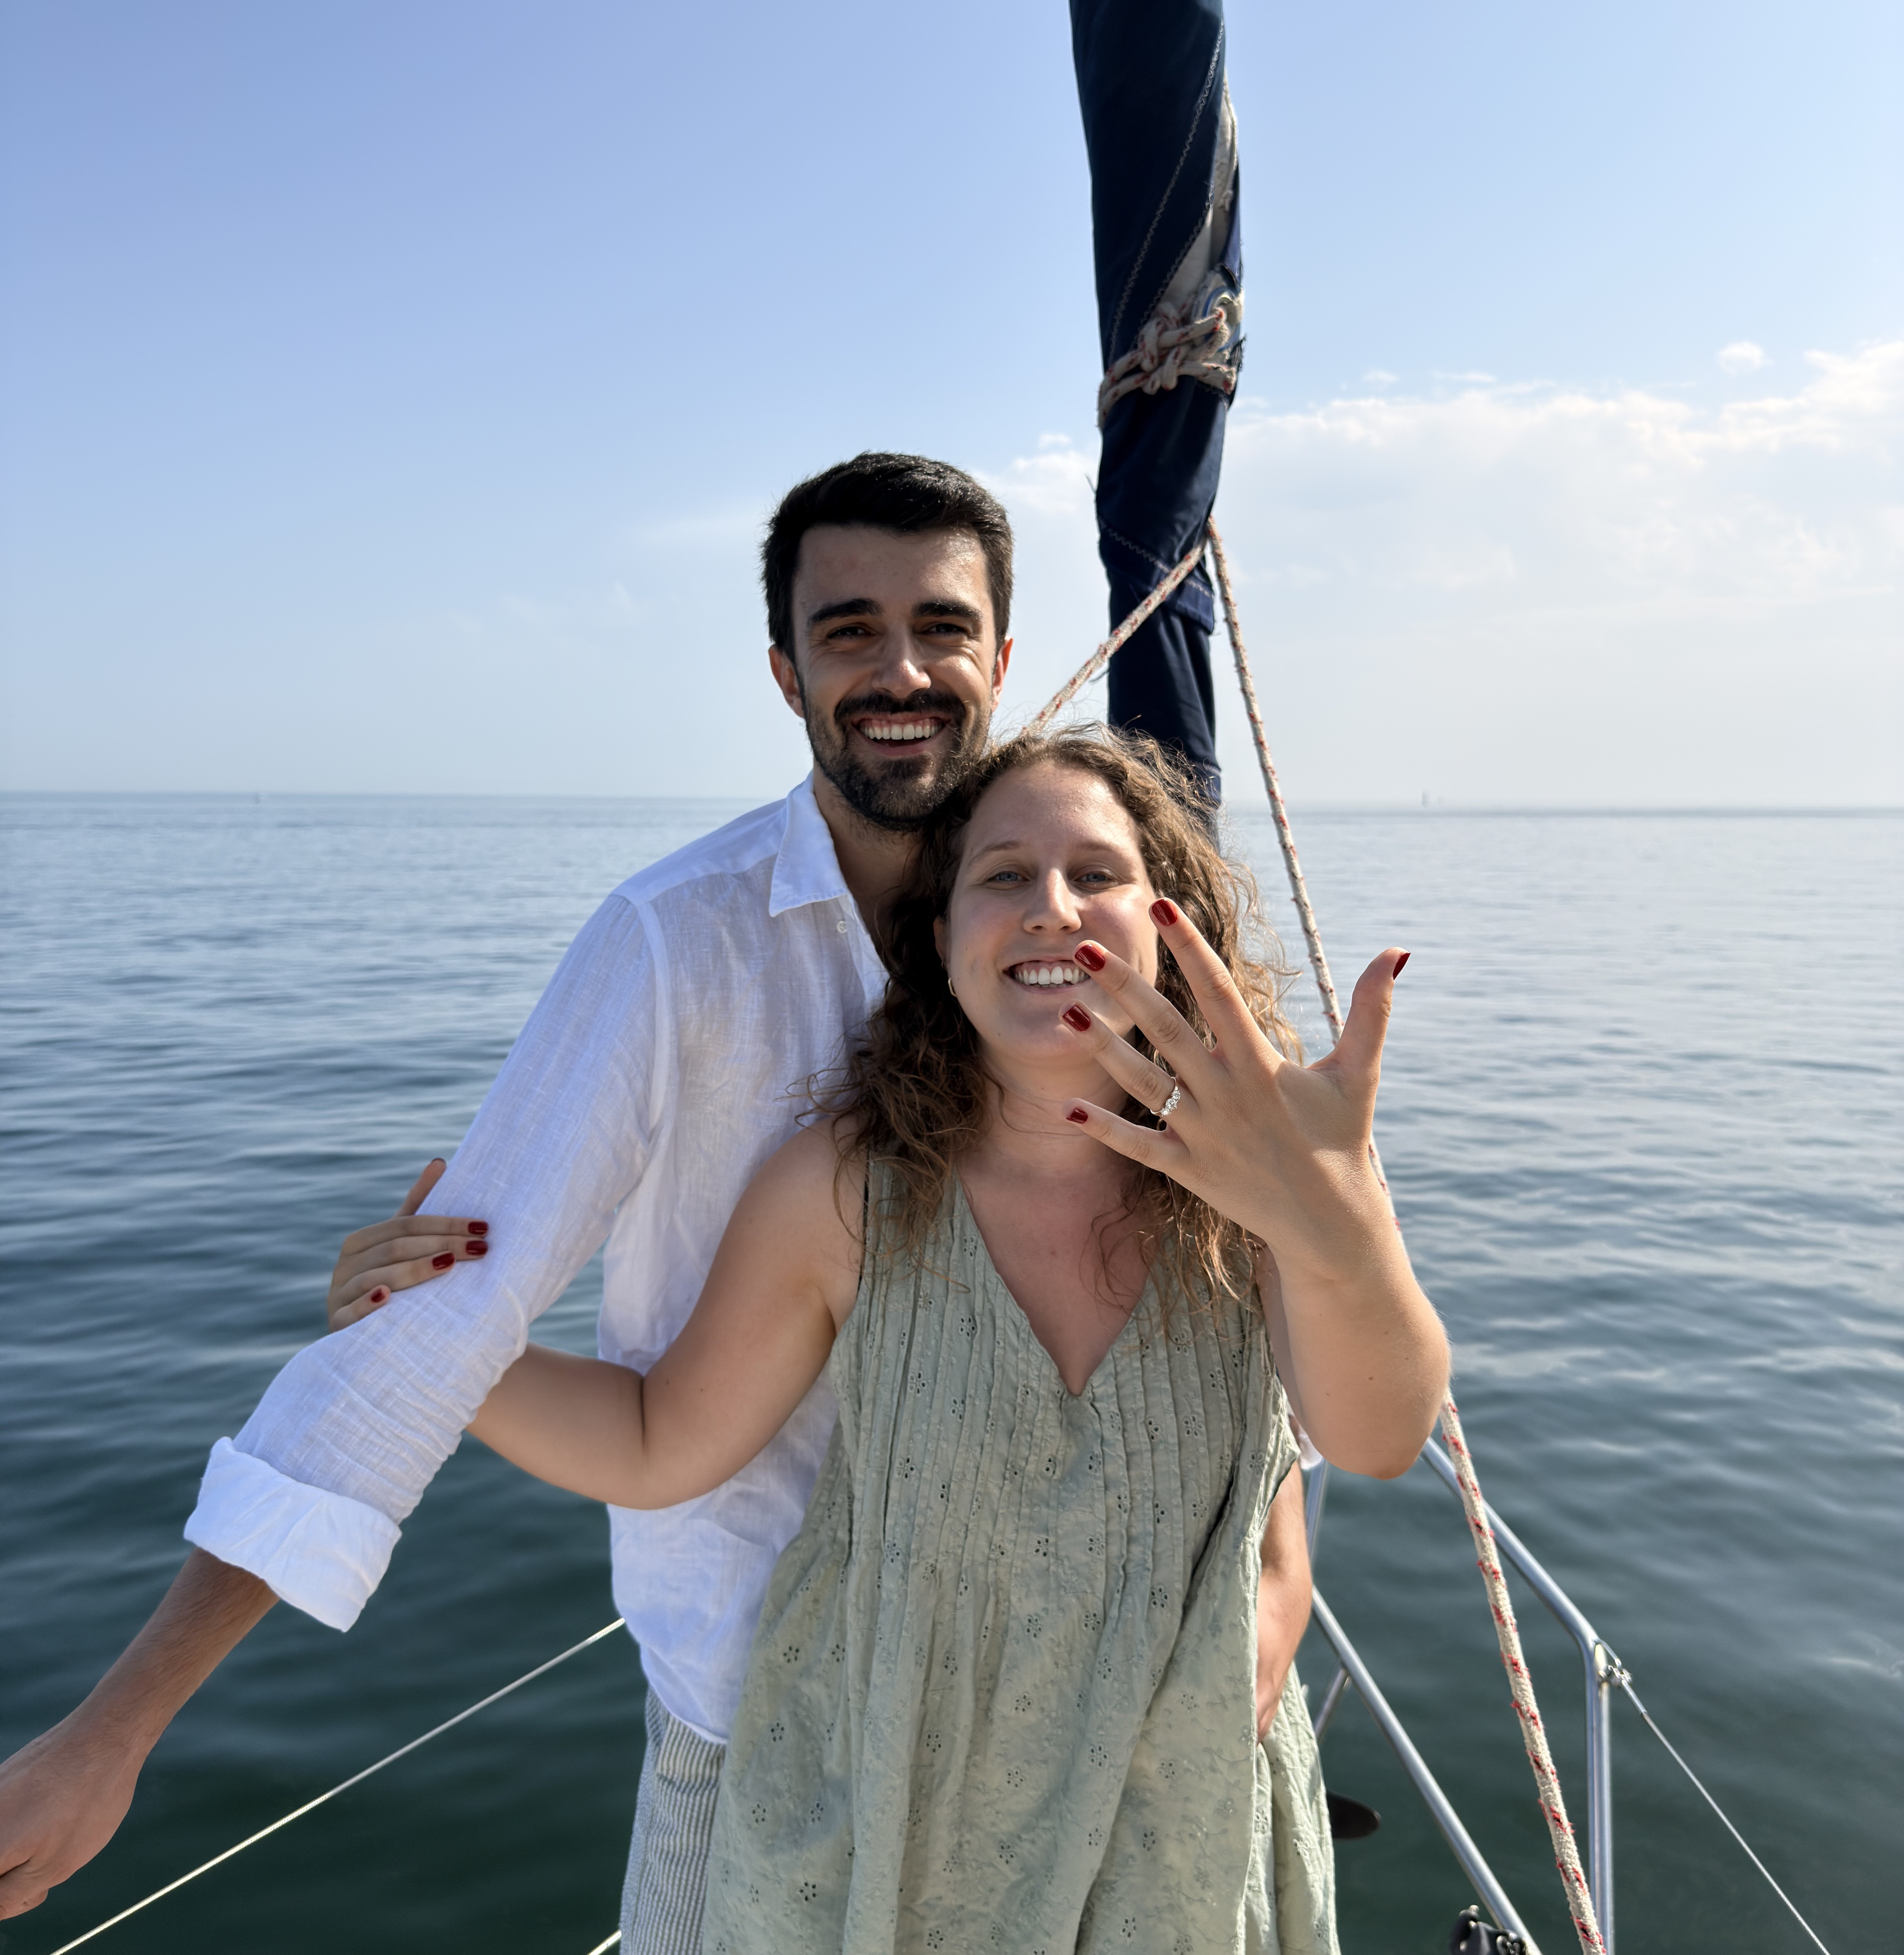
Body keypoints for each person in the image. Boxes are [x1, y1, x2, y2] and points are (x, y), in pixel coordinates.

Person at [0, 452, 1319, 1950]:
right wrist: (114, 1728)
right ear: (783, 670)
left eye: (943, 628)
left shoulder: (1121, 950)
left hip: (1104, 1723)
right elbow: (441, 1339)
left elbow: (1224, 1330)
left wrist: (1269, 1582)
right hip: (758, 1714)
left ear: (1003, 659)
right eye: (847, 631)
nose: (901, 670)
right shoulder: (669, 951)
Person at [452, 725, 1447, 1952]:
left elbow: (1380, 1431)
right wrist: (438, 1346)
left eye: (1094, 873)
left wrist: (1333, 1219)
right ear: (938, 940)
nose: (1050, 906)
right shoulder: (845, 1189)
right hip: (883, 1830)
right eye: (1003, 875)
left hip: (1180, 1836)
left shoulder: (1267, 1172)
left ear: (1167, 921)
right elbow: (660, 1440)